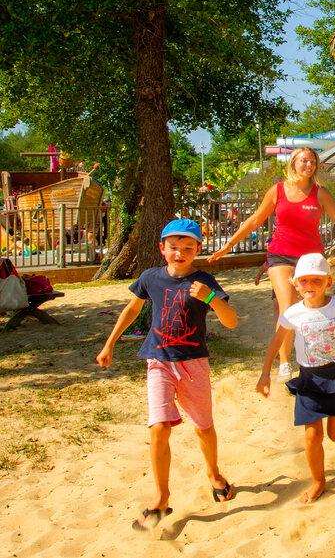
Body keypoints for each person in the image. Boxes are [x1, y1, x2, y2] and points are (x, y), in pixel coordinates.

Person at [96, 219, 239, 531]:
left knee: (203, 427)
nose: (180, 253)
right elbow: (131, 310)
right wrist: (110, 344)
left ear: (198, 250)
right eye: (173, 247)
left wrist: (210, 298)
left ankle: (213, 472)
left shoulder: (204, 281)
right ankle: (161, 497)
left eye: (188, 248)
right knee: (159, 427)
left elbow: (231, 322)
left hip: (193, 363)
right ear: (162, 248)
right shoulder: (150, 278)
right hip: (158, 361)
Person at [209, 146, 335, 380]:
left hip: (311, 258)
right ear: (293, 163)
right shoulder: (277, 191)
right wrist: (229, 244)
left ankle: (313, 354)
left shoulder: (321, 193)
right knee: (287, 308)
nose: (309, 165)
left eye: (313, 162)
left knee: (314, 306)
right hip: (280, 255)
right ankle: (284, 363)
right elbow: (255, 219)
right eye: (304, 161)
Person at [256, 252, 335, 505]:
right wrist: (265, 373)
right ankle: (318, 481)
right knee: (312, 436)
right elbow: (276, 341)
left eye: (317, 281)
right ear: (295, 284)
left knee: (334, 433)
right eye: (304, 281)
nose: (310, 286)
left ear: (328, 282)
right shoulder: (292, 314)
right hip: (309, 379)